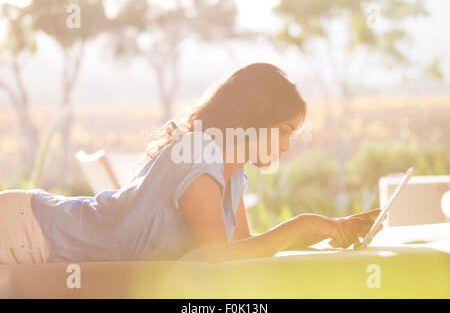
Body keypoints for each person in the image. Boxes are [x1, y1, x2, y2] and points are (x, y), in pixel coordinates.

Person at [0, 63, 382, 264]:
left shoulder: (233, 175)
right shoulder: (199, 152)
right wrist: (307, 223)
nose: (286, 146)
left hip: (35, 228)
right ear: (254, 120)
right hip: (30, 230)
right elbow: (217, 254)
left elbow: (245, 248)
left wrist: (330, 231)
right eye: (283, 131)